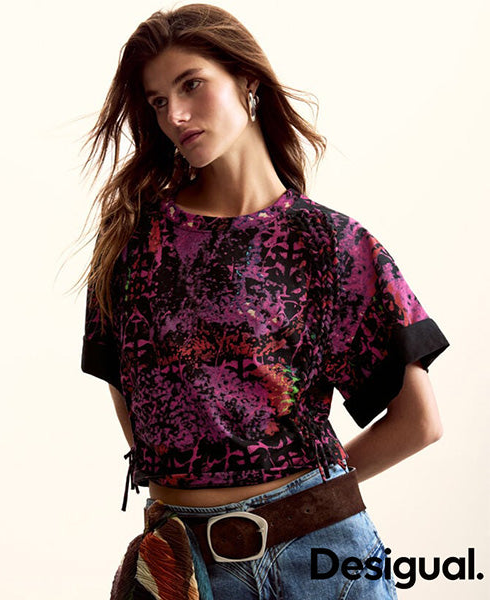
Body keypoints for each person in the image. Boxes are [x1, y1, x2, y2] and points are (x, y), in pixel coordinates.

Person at [79, 4, 449, 599]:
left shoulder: (330, 243)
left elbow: (418, 422)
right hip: (184, 565)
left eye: (191, 85)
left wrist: (298, 504)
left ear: (247, 80)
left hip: (322, 558)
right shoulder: (135, 240)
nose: (175, 115)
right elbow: (131, 398)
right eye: (157, 101)